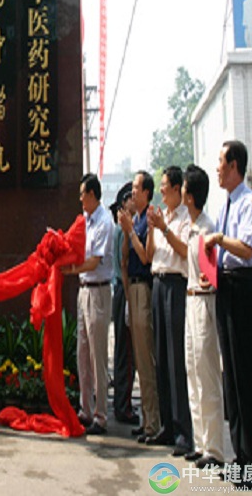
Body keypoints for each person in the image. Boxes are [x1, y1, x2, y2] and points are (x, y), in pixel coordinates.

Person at [204, 140, 252, 487]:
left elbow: (247, 247)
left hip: (244, 289)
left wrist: (218, 239)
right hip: (226, 287)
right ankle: (241, 459)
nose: (217, 169)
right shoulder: (226, 203)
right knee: (233, 380)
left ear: (234, 166)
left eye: (221, 163)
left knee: (247, 379)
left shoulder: (248, 202)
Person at [146, 166, 193, 456]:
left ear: (177, 188)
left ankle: (183, 432)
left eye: (164, 185)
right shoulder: (162, 217)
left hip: (176, 286)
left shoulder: (185, 218)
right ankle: (166, 425)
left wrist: (163, 227)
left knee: (176, 360)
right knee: (160, 358)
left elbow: (185, 251)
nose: (161, 190)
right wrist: (153, 229)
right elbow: (151, 255)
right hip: (157, 284)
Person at [63, 173, 113, 435]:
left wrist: (70, 270)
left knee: (97, 355)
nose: (80, 198)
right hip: (84, 291)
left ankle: (101, 415)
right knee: (82, 352)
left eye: (83, 194)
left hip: (98, 292)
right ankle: (85, 408)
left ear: (93, 195)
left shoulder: (104, 222)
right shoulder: (85, 222)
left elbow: (94, 262)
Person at [182, 165, 224, 470]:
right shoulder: (190, 226)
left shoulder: (207, 227)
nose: (181, 190)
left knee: (208, 374)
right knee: (192, 372)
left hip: (205, 302)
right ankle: (200, 442)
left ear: (191, 194)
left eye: (184, 186)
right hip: (190, 300)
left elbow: (213, 272)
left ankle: (215, 449)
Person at [118, 171, 160, 443]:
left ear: (147, 192)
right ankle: (147, 419)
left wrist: (131, 230)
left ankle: (153, 422)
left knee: (146, 359)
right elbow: (125, 258)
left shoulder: (150, 221)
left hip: (144, 289)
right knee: (139, 356)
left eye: (136, 188)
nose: (132, 193)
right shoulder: (136, 220)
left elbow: (145, 256)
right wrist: (127, 229)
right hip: (130, 289)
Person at [109, 182, 138, 426]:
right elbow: (125, 265)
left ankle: (123, 402)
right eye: (131, 197)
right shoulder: (123, 230)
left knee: (124, 352)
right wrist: (130, 300)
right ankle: (123, 406)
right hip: (123, 291)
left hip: (120, 291)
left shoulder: (125, 228)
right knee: (126, 355)